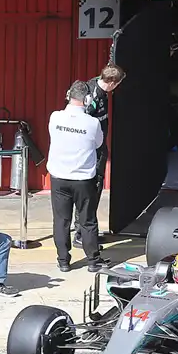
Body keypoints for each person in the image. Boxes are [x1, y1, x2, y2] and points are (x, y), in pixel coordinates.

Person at [47, 80, 109, 273]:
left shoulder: (55, 117)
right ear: (88, 100)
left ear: (68, 95)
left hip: (59, 177)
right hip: (83, 179)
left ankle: (63, 261)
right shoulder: (92, 123)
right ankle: (92, 261)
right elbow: (99, 144)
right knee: (87, 220)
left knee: (61, 220)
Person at [73, 63, 126, 249]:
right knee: (90, 192)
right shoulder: (92, 96)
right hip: (91, 153)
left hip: (99, 150)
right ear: (112, 83)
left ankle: (87, 232)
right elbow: (82, 124)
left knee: (95, 192)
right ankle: (81, 234)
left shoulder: (100, 91)